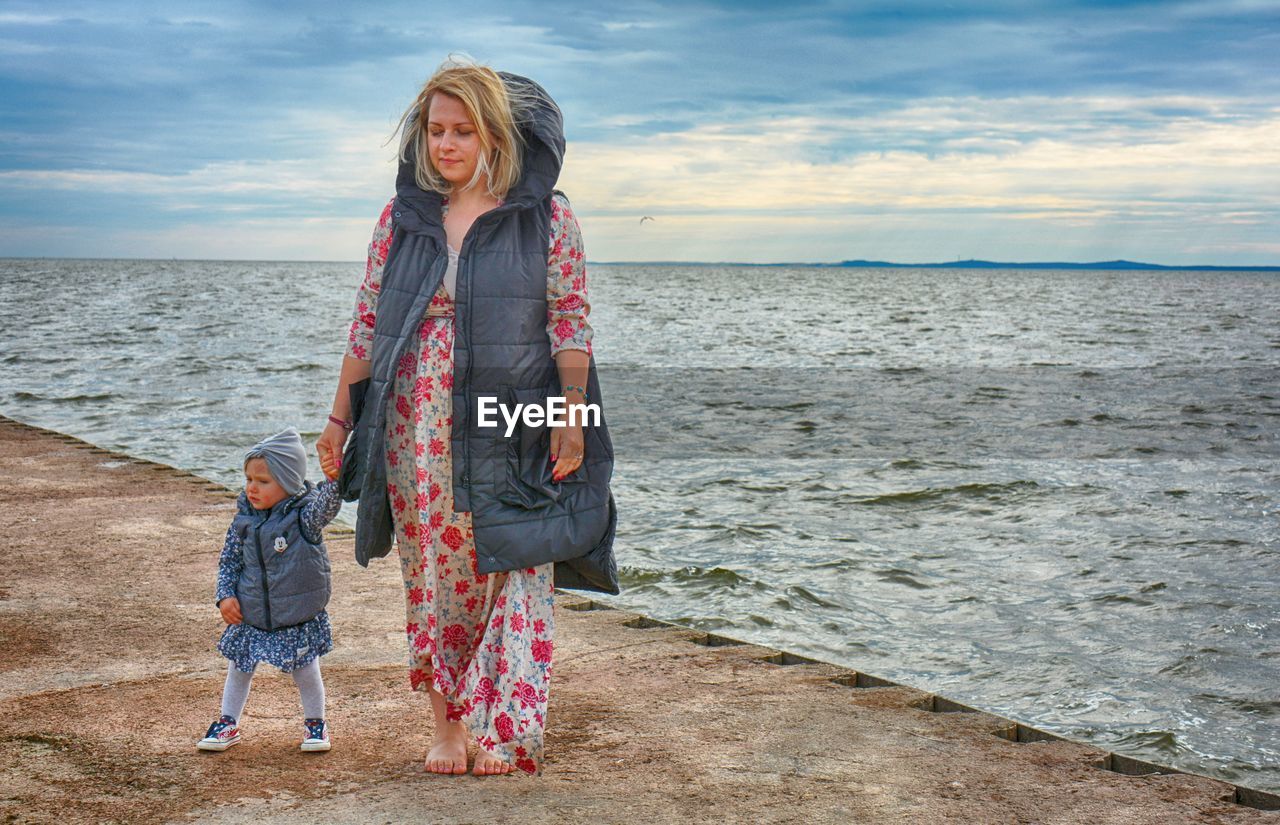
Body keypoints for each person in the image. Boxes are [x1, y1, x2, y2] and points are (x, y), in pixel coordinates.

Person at [316, 58, 619, 777]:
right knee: (438, 571)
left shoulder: (548, 214)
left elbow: (570, 322)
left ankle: (507, 721)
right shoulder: (404, 217)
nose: (445, 144)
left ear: (496, 135)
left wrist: (569, 417)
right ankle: (450, 725)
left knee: (517, 556)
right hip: (414, 415)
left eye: (463, 131)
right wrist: (336, 422)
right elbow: (367, 325)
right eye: (435, 130)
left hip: (511, 408)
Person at [197, 428, 342, 753]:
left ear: (289, 482)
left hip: (295, 615)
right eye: (249, 479)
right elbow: (229, 563)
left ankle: (316, 724)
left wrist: (334, 479)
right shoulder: (243, 522)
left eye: (263, 481)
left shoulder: (304, 518)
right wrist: (225, 596)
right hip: (252, 614)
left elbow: (328, 508)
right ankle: (227, 722)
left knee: (306, 671)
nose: (252, 487)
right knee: (239, 669)